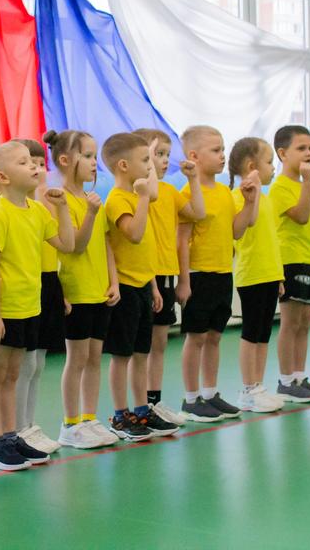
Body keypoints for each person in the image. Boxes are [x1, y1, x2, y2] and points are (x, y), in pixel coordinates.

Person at [0, 141, 75, 470]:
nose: (34, 166)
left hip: (29, 307)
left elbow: (66, 244)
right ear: (3, 178)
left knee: (12, 375)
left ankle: (11, 435)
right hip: (1, 310)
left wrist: (62, 207)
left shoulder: (36, 211)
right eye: (24, 163)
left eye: (34, 162)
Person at [43, 130, 119, 449]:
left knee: (94, 357)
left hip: (99, 289)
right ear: (65, 160)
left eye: (94, 156)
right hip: (76, 289)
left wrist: (113, 280)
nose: (93, 163)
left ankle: (89, 418)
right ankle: (70, 423)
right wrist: (90, 213)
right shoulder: (56, 199)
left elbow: (105, 243)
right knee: (76, 359)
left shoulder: (90, 199)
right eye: (87, 156)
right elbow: (75, 245)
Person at [103, 133, 181, 439]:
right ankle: (120, 415)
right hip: (124, 287)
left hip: (143, 286)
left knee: (141, 354)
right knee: (122, 356)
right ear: (124, 165)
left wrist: (154, 286)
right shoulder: (118, 200)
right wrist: (145, 198)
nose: (151, 166)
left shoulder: (137, 197)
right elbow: (134, 235)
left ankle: (141, 410)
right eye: (145, 160)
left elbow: (144, 249)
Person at [177, 126, 257, 421]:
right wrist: (184, 281)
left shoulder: (224, 192)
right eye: (215, 150)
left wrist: (249, 202)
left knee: (214, 337)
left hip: (223, 272)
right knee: (196, 338)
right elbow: (181, 240)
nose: (223, 155)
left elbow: (236, 231)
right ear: (194, 156)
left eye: (223, 149)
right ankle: (191, 398)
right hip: (199, 274)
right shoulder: (188, 193)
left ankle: (210, 393)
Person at [133, 128, 205, 426]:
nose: (164, 160)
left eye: (165, 154)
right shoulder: (140, 193)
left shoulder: (171, 192)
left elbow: (198, 212)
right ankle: (140, 407)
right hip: (145, 276)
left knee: (160, 343)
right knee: (141, 347)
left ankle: (154, 401)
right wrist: (147, 162)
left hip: (166, 274)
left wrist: (193, 179)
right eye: (156, 154)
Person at [227, 137, 285, 413]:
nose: (273, 168)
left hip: (271, 274)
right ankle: (248, 388)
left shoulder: (268, 200)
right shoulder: (237, 198)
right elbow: (239, 234)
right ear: (252, 166)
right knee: (251, 334)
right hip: (251, 274)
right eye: (269, 162)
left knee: (264, 334)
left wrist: (279, 275)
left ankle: (258, 386)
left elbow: (272, 239)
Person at [269, 125, 310, 403]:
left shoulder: (306, 184)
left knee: (305, 321)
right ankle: (285, 380)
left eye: (309, 148)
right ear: (282, 154)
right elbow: (302, 216)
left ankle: (300, 377)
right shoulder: (280, 187)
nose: (308, 153)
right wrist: (307, 183)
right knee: (291, 322)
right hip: (290, 260)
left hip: (309, 256)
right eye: (301, 148)